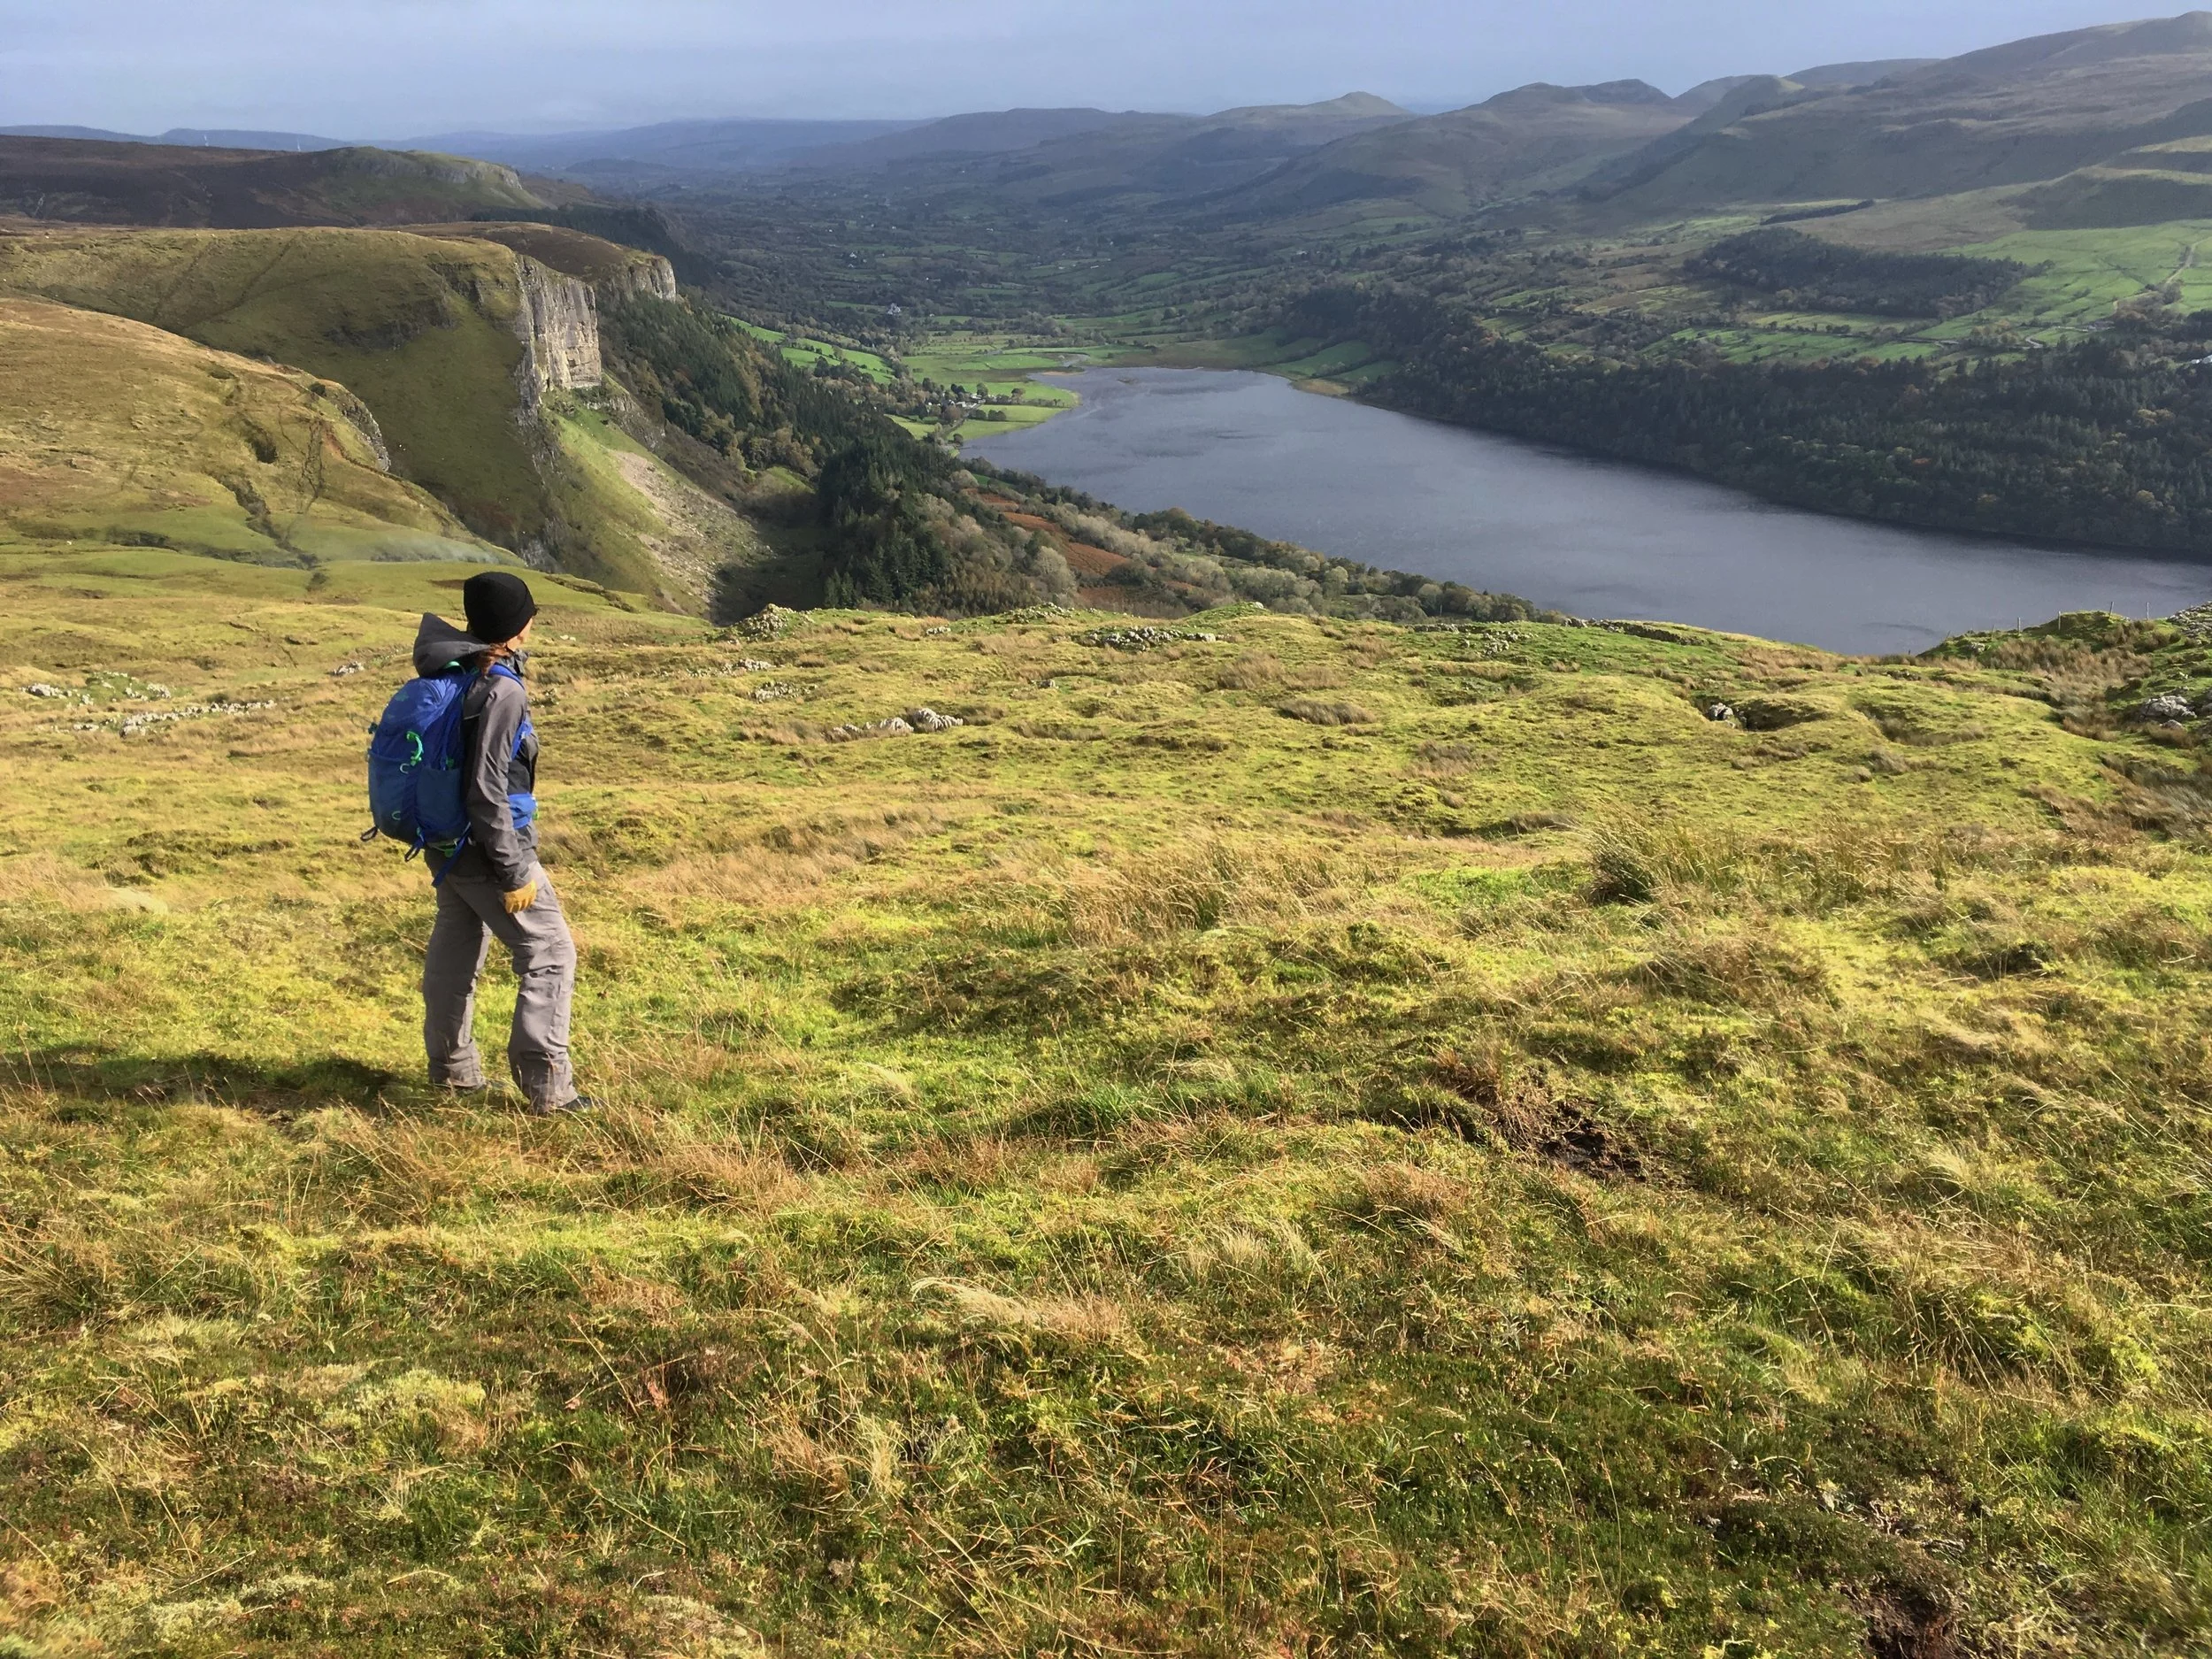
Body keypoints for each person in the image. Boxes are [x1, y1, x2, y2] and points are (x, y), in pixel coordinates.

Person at [411, 571, 593, 1113]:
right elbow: (486, 789)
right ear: (517, 627)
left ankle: (451, 1074)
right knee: (551, 952)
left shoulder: (458, 672)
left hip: (446, 846)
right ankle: (548, 1092)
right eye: (529, 615)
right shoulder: (502, 689)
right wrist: (513, 871)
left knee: (456, 952)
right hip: (490, 847)